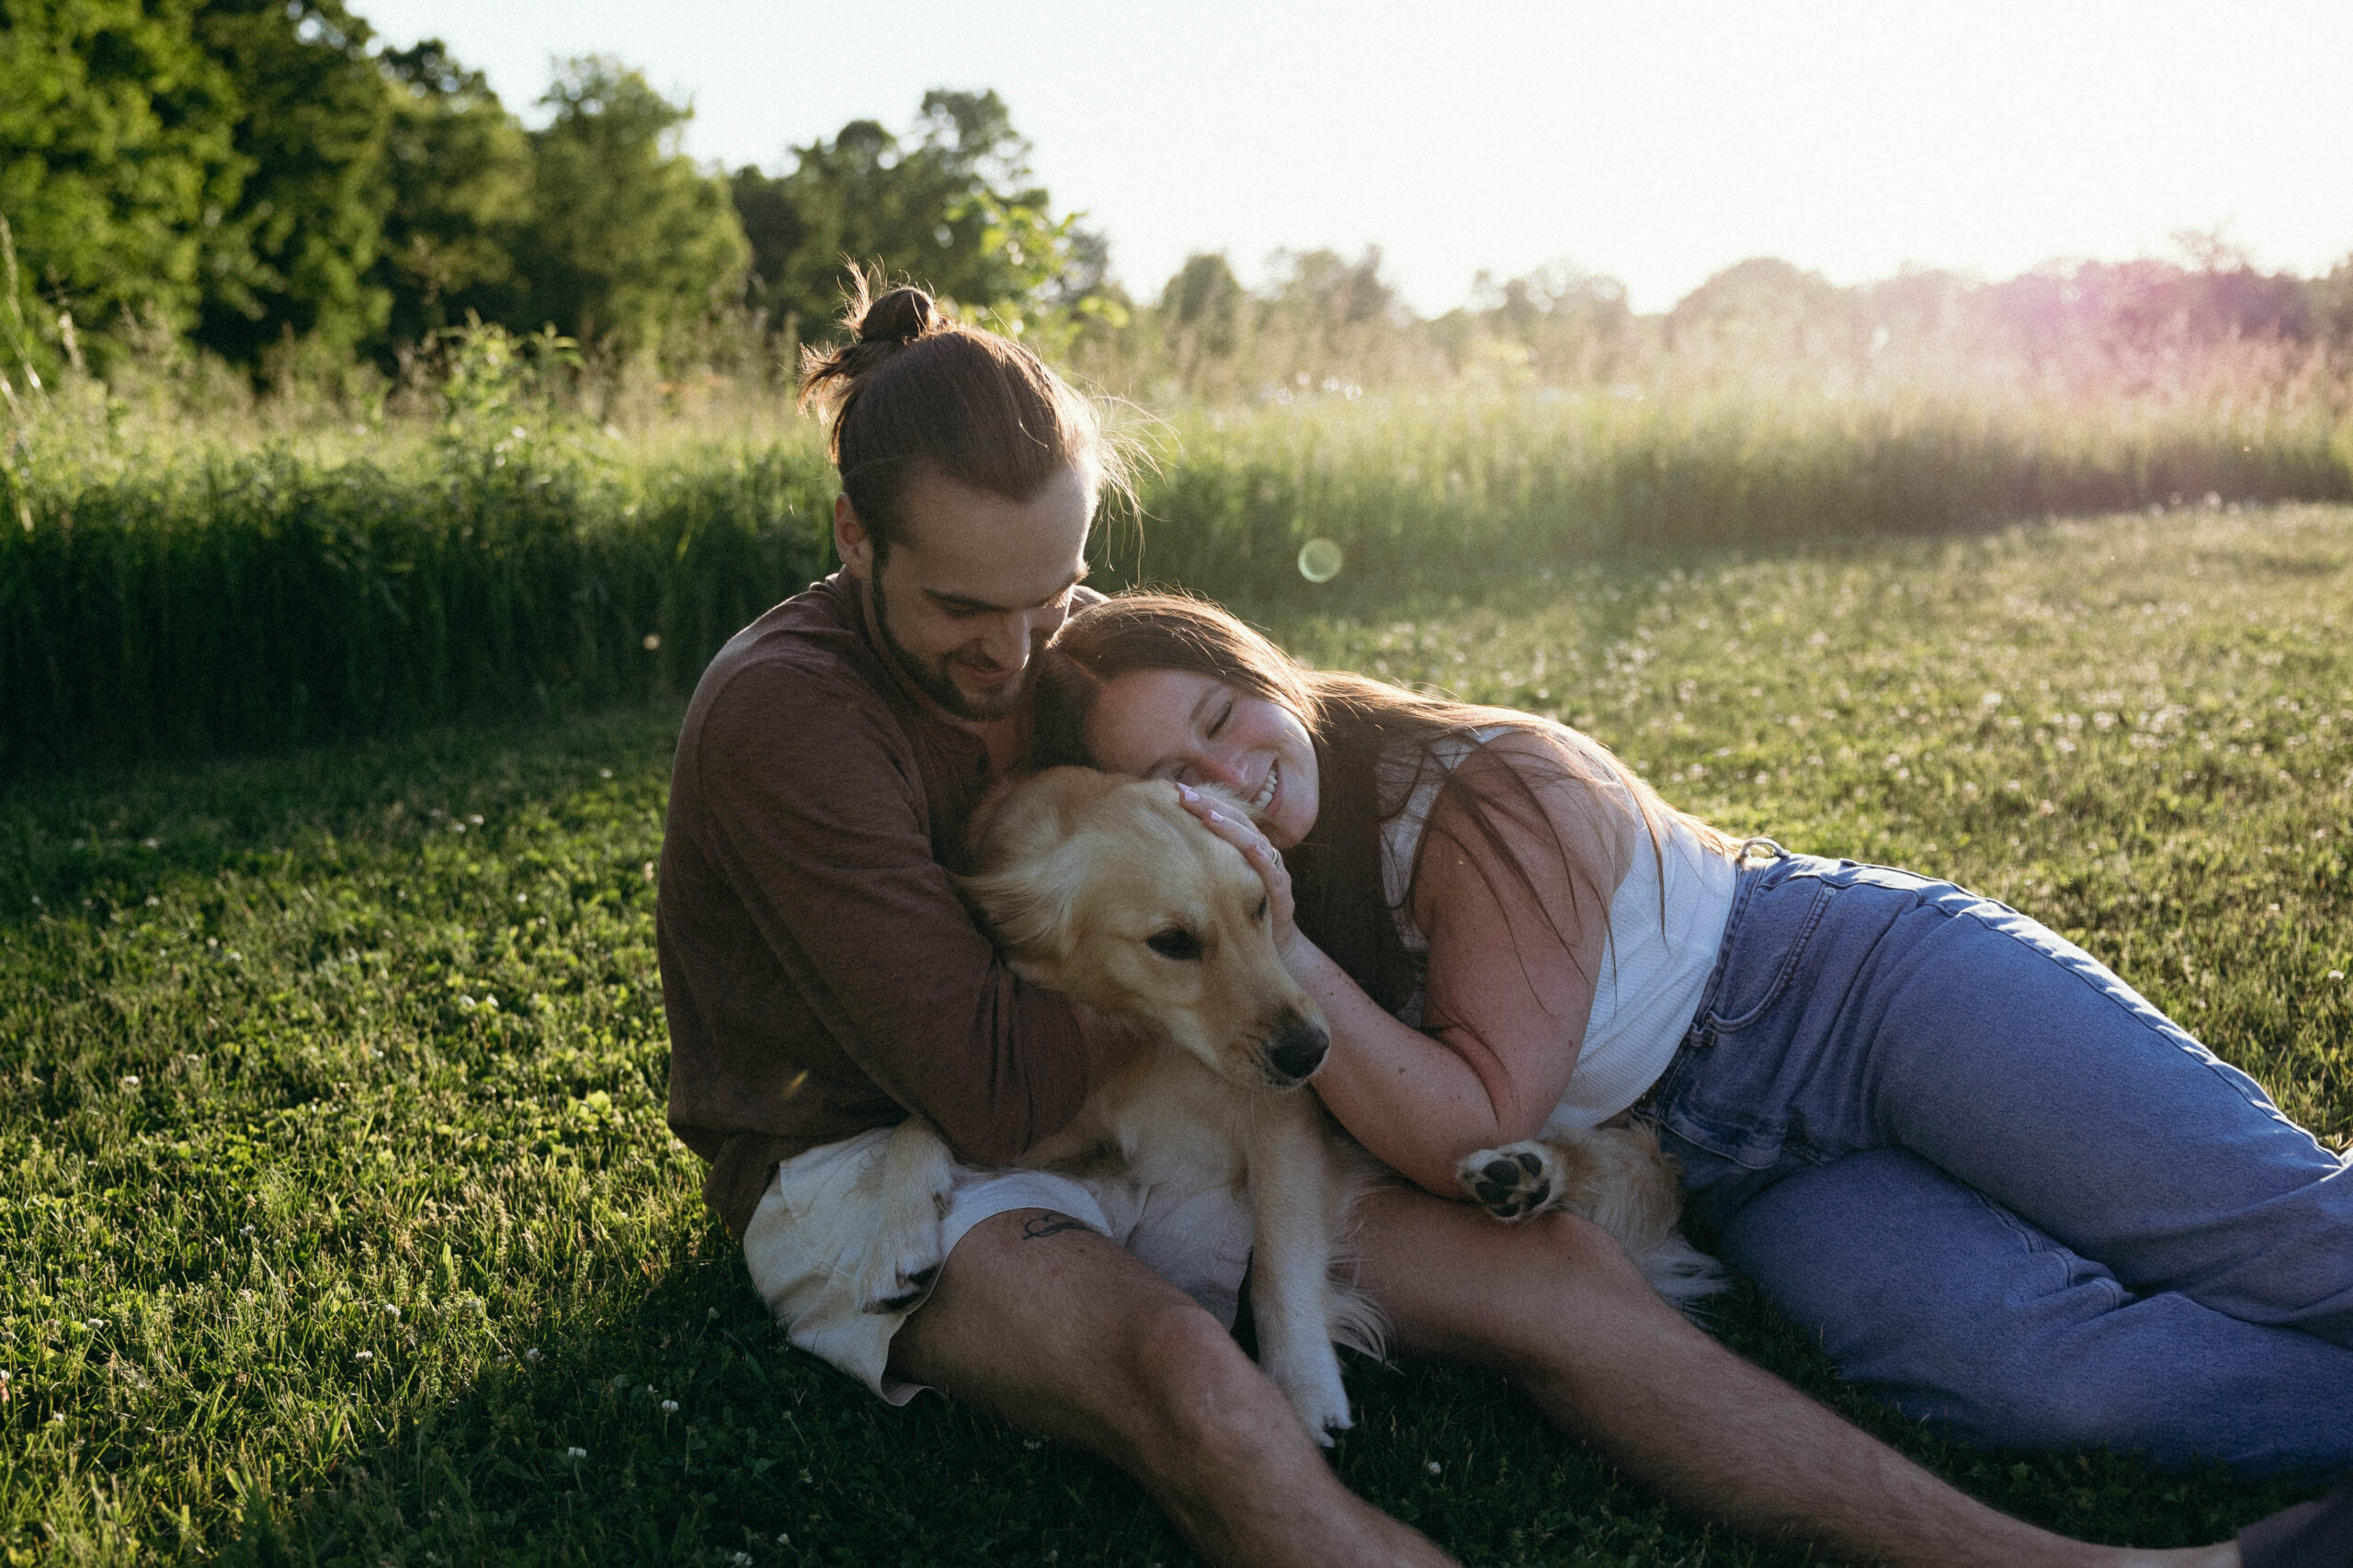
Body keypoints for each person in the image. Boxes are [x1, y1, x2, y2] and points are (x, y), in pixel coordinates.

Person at [656, 278, 2336, 1568]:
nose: (1021, 650)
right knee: (1196, 1384)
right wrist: (1231, 954)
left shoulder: (1111, 674)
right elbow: (998, 1084)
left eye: (1056, 591)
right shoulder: (790, 718)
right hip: (887, 1156)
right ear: (850, 536)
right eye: (966, 605)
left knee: (1566, 1289)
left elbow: (1268, 829)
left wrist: (1237, 927)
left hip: (1686, 1015)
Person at [1035, 591, 2353, 1498]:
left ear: (1265, 671)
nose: (1233, 782)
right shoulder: (1237, 904)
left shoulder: (1478, 788)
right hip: (1740, 1173)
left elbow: (1469, 1129)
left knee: (2281, 1237)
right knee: (2048, 1384)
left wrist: (1273, 944)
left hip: (1849, 991)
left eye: (1223, 720)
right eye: (1180, 786)